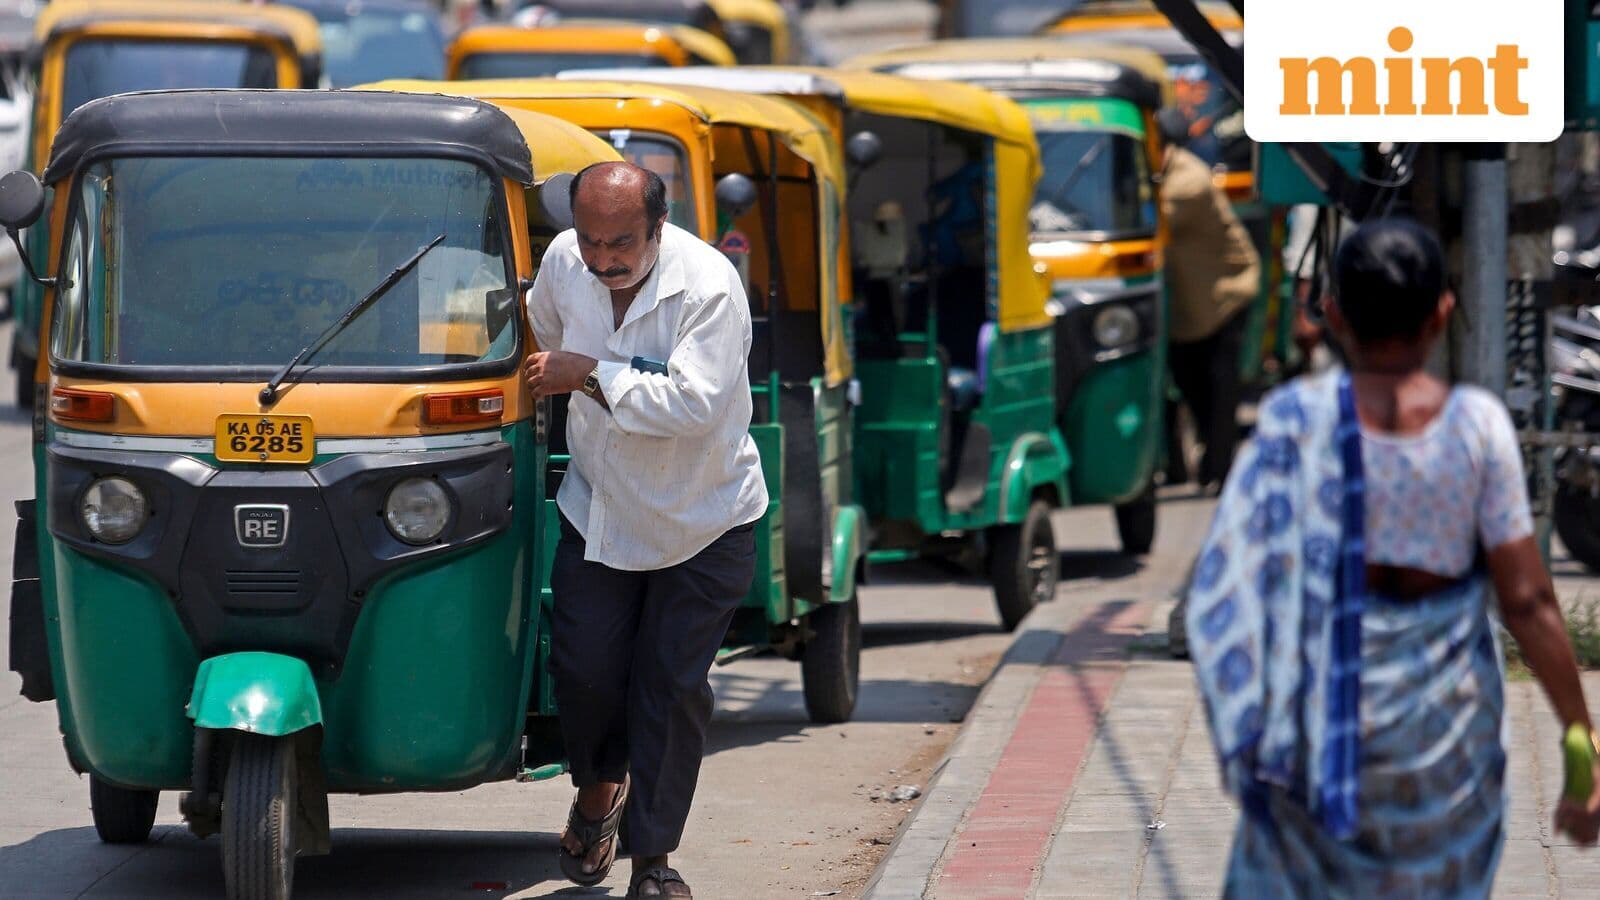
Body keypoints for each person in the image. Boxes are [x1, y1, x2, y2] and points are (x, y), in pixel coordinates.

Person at [1187, 218, 1600, 896]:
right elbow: (1527, 602)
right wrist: (1579, 741)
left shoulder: (1293, 421)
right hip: (1443, 758)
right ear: (1443, 311)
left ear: (1333, 313)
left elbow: (1230, 582)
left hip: (1319, 746)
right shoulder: (1475, 428)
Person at [524, 161, 766, 900]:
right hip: (596, 507)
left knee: (669, 686)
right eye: (591, 240)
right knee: (585, 672)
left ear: (659, 227)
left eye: (620, 243)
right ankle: (599, 795)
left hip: (703, 520)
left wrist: (590, 374)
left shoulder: (710, 286)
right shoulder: (565, 261)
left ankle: (653, 864)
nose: (602, 260)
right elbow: (541, 329)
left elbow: (692, 405)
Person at [1159, 107, 1260, 491]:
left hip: (1226, 295)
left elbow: (1151, 216)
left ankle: (1220, 470)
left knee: (1219, 389)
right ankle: (1208, 461)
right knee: (1189, 381)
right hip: (1193, 305)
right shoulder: (1166, 174)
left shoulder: (1188, 181)